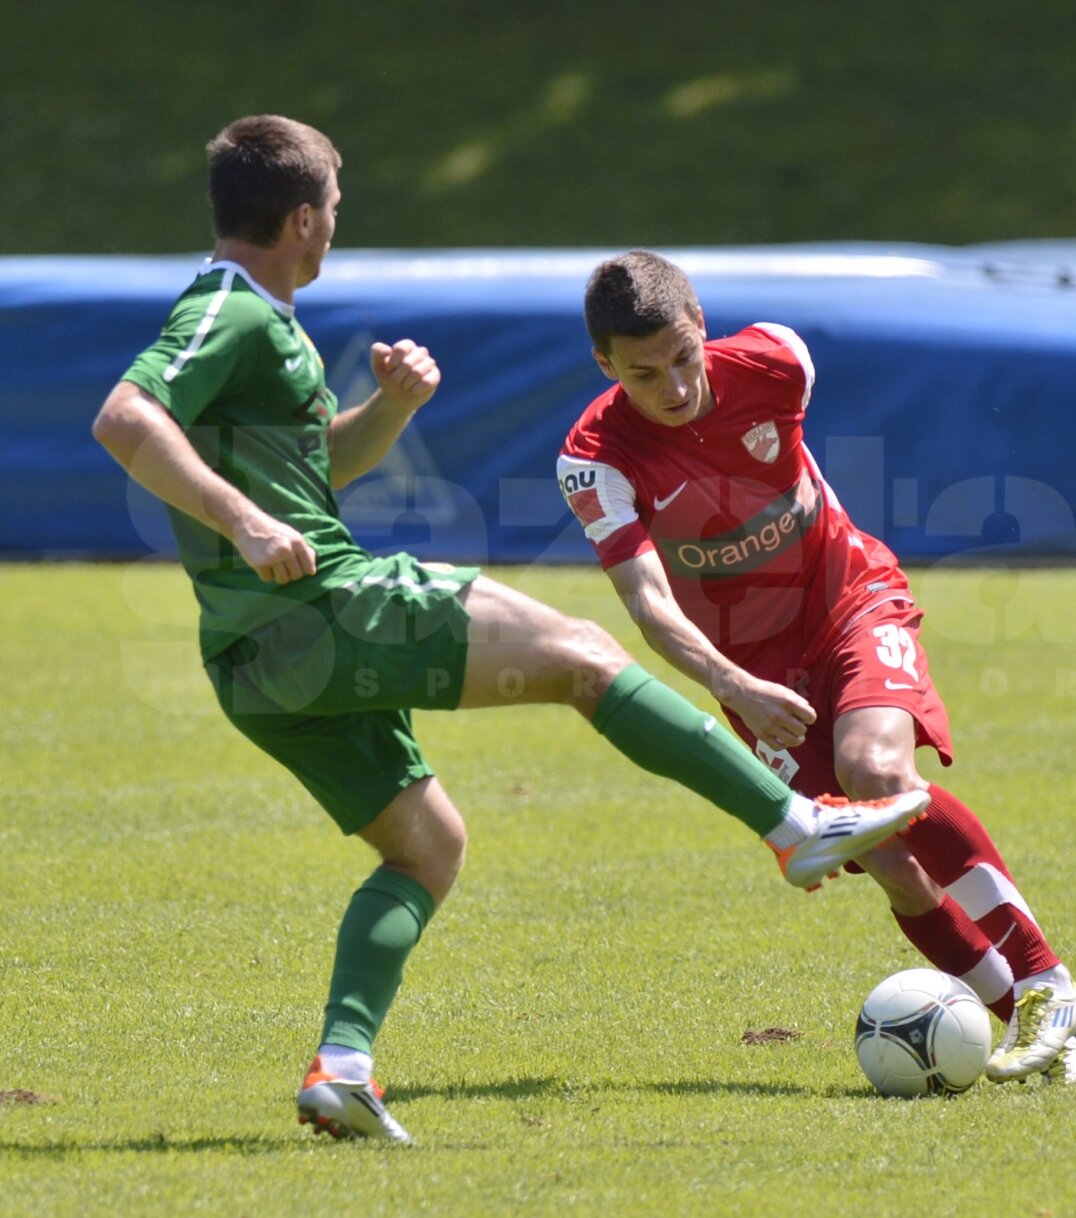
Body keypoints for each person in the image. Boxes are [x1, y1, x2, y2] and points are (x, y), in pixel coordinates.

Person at [91, 118, 930, 1144]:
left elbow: (320, 473)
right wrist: (247, 520)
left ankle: (342, 1068)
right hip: (321, 608)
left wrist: (390, 408)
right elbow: (127, 416)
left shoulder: (270, 321)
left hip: (255, 662)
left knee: (427, 848)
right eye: (338, 205)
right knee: (583, 657)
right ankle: (796, 827)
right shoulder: (228, 305)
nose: (339, 224)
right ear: (303, 216)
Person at [558, 250, 1076, 1089]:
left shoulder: (778, 361)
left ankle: (1047, 981)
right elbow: (648, 603)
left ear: (703, 329)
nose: (673, 387)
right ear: (604, 365)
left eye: (683, 358)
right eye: (643, 373)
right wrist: (729, 682)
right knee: (888, 860)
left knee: (875, 770)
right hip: (751, 670)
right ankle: (1041, 1030)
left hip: (849, 600)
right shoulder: (594, 460)